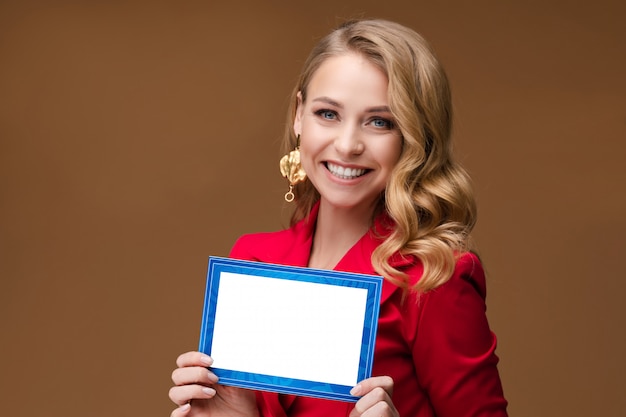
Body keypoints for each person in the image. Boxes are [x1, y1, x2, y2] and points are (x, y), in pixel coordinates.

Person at [169, 18, 508, 417]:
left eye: (380, 122)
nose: (347, 145)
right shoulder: (253, 261)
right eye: (328, 113)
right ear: (299, 115)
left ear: (414, 138)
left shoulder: (434, 278)